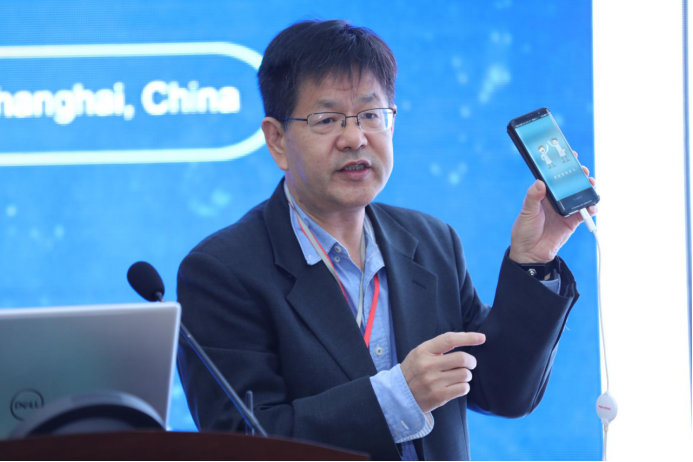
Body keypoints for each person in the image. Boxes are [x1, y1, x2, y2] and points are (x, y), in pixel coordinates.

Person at [176, 20, 597, 461]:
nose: (354, 138)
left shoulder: (431, 242)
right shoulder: (222, 271)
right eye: (327, 119)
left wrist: (533, 260)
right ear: (277, 140)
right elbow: (244, 441)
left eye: (371, 115)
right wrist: (398, 397)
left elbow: (503, 391)